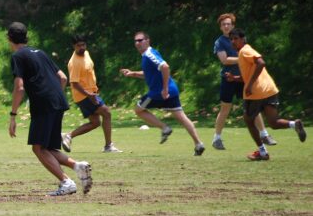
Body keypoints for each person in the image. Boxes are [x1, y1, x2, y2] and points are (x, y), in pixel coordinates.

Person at [7, 22, 92, 197]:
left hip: (44, 104)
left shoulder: (17, 56)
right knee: (49, 148)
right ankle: (78, 166)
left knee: (38, 148)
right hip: (58, 102)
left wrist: (13, 115)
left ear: (9, 38)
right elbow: (62, 78)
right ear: (26, 36)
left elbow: (20, 88)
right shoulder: (40, 52)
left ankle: (66, 182)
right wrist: (53, 96)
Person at [120, 31, 205, 156]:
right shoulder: (148, 55)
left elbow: (165, 67)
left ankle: (165, 128)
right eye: (136, 41)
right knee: (182, 117)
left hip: (158, 94)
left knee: (138, 110)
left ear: (147, 40)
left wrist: (164, 89)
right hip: (171, 91)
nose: (137, 43)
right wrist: (132, 73)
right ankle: (199, 144)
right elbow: (149, 74)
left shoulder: (149, 54)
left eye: (140, 40)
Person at [227, 28, 306, 160]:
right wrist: (235, 78)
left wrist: (250, 84)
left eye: (236, 38)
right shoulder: (244, 52)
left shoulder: (245, 50)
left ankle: (262, 152)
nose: (233, 41)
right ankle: (294, 124)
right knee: (274, 123)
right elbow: (250, 73)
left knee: (248, 120)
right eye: (231, 39)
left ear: (243, 39)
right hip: (269, 89)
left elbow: (261, 63)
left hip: (256, 93)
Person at [212, 13, 274, 150]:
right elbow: (224, 60)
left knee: (254, 107)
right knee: (225, 108)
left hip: (243, 79)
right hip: (228, 79)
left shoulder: (240, 40)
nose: (226, 26)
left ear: (233, 25)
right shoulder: (219, 42)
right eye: (224, 24)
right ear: (220, 27)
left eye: (228, 24)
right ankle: (217, 138)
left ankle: (264, 134)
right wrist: (243, 59)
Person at [62, 35, 122, 153]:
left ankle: (68, 136)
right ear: (73, 46)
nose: (82, 47)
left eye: (83, 44)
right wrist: (89, 95)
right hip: (84, 95)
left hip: (90, 93)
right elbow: (74, 83)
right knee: (107, 112)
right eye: (78, 45)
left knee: (95, 123)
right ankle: (108, 146)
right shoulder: (74, 62)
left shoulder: (86, 54)